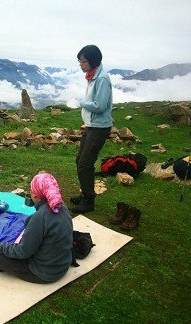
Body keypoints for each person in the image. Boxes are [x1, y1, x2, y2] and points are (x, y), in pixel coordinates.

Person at [0, 173, 73, 283]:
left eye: (31, 190)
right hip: (63, 264)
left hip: (45, 273)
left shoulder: (39, 217)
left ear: (35, 196)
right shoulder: (62, 206)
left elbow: (24, 252)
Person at [71, 45, 113, 213]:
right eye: (79, 61)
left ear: (93, 61)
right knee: (80, 161)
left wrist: (81, 103)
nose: (80, 64)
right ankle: (85, 194)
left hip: (99, 127)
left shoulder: (102, 78)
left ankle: (89, 201)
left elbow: (100, 105)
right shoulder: (92, 76)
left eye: (83, 61)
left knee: (85, 163)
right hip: (91, 126)